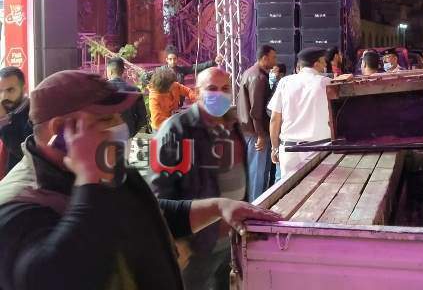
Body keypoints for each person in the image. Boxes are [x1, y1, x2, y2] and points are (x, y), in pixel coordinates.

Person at [0, 70, 280, 290]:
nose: (121, 127)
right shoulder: (18, 204)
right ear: (61, 131)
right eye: (105, 120)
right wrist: (90, 182)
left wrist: (218, 207)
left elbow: (147, 212)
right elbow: (57, 278)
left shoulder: (106, 171)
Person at [152, 67, 248, 290]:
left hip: (229, 237)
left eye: (225, 88)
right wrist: (175, 239)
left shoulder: (232, 124)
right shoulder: (176, 129)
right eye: (211, 88)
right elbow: (159, 190)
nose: (219, 94)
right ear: (196, 92)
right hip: (195, 243)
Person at [269, 47, 332, 180]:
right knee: (319, 189)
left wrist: (274, 148)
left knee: (289, 189)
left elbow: (275, 119)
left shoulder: (285, 82)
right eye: (323, 61)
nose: (325, 65)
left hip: (289, 150)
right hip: (318, 148)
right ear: (316, 64)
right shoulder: (326, 83)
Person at [237, 45, 277, 202]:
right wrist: (260, 134)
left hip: (250, 131)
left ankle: (255, 204)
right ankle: (256, 207)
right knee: (258, 175)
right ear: (264, 58)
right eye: (273, 58)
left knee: (256, 172)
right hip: (256, 132)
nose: (275, 61)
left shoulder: (250, 73)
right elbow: (256, 110)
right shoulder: (258, 78)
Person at [0, 67, 32, 176]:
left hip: (23, 180)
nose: (4, 96)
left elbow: (24, 154)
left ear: (24, 89)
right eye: (0, 91)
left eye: (10, 90)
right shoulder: (6, 110)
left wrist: (3, 121)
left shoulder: (32, 113)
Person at [107, 57, 149, 136]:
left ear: (110, 71)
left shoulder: (101, 90)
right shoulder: (135, 90)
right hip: (127, 134)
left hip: (106, 135)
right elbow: (143, 117)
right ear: (123, 71)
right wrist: (132, 132)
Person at [144, 45, 220, 86]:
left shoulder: (181, 70)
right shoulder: (161, 70)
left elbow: (196, 67)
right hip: (166, 104)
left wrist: (213, 62)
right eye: (170, 59)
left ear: (177, 59)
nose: (172, 61)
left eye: (174, 59)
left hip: (179, 103)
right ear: (166, 60)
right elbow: (146, 78)